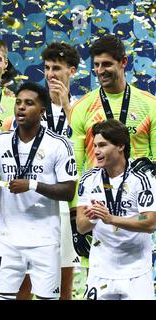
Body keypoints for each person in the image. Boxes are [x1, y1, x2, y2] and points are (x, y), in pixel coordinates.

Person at [69, 34, 156, 268]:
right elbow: (76, 167)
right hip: (96, 203)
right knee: (97, 280)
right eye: (96, 65)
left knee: (138, 277)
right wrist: (74, 216)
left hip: (137, 204)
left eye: (107, 64)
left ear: (123, 62)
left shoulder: (149, 105)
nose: (100, 70)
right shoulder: (81, 108)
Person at [0, 82, 77, 300]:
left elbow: (68, 190)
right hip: (7, 240)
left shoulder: (59, 144)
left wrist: (32, 184)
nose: (21, 108)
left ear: (42, 111)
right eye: (18, 103)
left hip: (45, 240)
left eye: (29, 103)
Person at [17, 42, 81, 300]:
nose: (51, 74)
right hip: (35, 201)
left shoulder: (82, 107)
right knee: (26, 284)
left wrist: (66, 105)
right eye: (47, 68)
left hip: (68, 202)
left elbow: (85, 145)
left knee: (64, 283)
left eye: (57, 68)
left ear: (72, 71)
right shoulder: (33, 106)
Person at [76, 119, 156, 300]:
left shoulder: (142, 178)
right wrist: (95, 217)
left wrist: (110, 218)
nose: (96, 151)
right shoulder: (89, 178)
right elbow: (81, 226)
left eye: (103, 145)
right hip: (100, 271)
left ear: (120, 146)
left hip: (136, 273)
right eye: (95, 145)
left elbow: (149, 222)